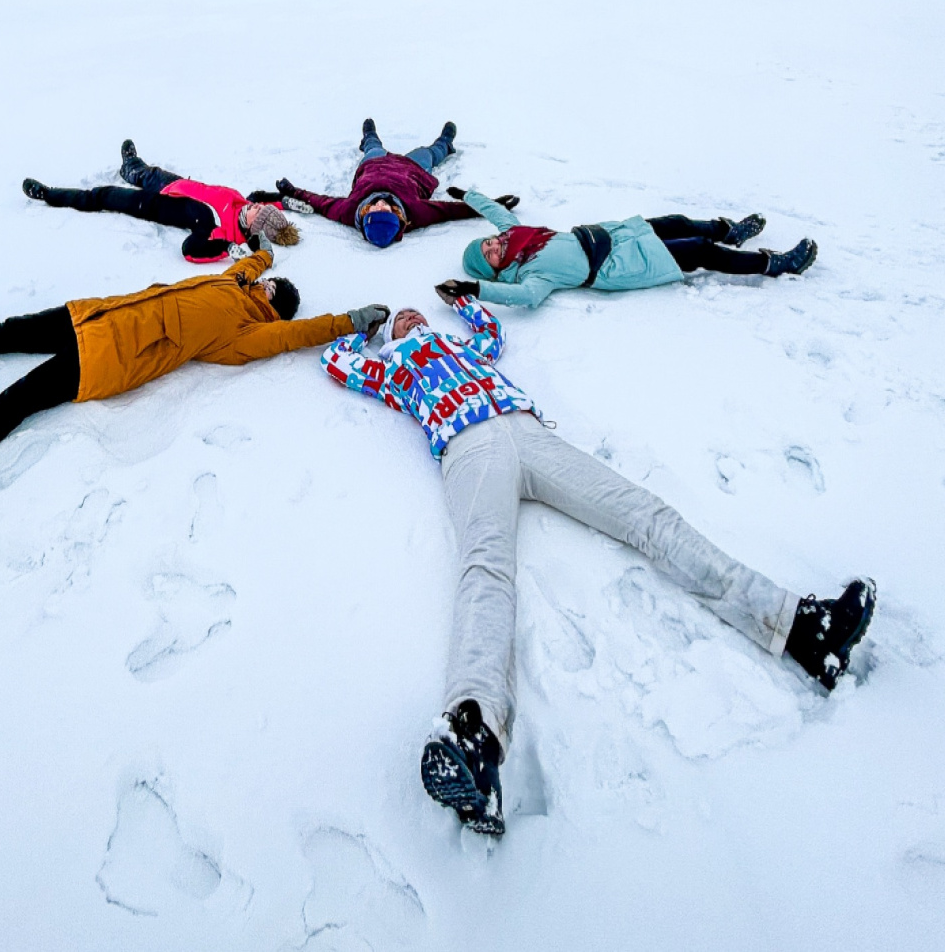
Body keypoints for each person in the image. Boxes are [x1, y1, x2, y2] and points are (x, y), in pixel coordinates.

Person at [320, 298, 875, 840]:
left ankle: (799, 627)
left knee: (643, 512)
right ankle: (475, 733)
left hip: (531, 434)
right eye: (401, 321)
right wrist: (365, 327)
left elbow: (492, 337)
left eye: (413, 314)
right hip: (469, 447)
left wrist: (466, 305)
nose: (410, 318)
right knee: (486, 567)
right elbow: (337, 362)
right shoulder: (392, 366)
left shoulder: (464, 348)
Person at [0, 252, 389, 529]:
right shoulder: (230, 282)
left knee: (8, 406)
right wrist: (265, 251)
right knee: (0, 332)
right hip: (91, 316)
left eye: (269, 286)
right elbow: (246, 262)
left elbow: (298, 335)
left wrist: (349, 318)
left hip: (105, 359)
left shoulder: (246, 332)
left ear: (272, 303)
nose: (261, 281)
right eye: (264, 278)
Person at [435, 187, 818, 310]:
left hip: (612, 234)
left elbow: (495, 213)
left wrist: (466, 195)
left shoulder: (516, 235)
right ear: (494, 269)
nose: (493, 244)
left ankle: (729, 230)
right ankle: (774, 265)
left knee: (677, 223)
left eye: (486, 242)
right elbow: (522, 297)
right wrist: (474, 290)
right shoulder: (532, 275)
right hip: (618, 263)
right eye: (488, 255)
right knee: (699, 250)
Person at [22, 139, 299, 263]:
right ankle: (129, 166)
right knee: (144, 172)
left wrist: (228, 249)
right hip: (174, 183)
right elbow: (259, 198)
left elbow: (190, 249)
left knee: (102, 196)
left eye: (258, 213)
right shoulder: (242, 203)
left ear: (253, 228)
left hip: (152, 204)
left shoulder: (220, 230)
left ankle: (48, 194)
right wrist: (286, 200)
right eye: (260, 208)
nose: (256, 207)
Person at [276, 119, 518, 250]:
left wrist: (292, 191)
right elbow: (453, 210)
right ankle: (445, 143)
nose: (381, 204)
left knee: (373, 148)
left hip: (374, 165)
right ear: (398, 217)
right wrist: (494, 205)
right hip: (412, 170)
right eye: (387, 211)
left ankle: (369, 136)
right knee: (428, 153)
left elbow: (321, 203)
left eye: (375, 210)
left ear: (365, 215)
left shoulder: (349, 211)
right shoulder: (416, 212)